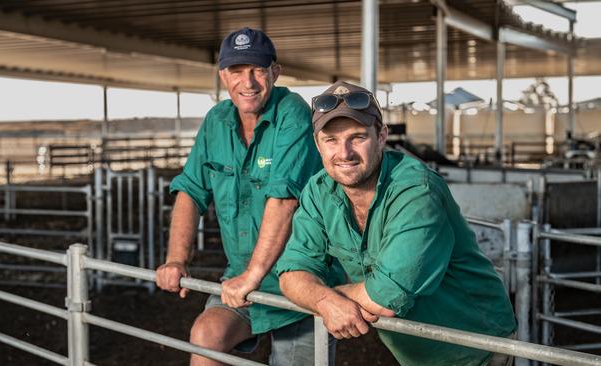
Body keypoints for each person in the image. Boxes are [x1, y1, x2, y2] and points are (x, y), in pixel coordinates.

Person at [276, 81, 517, 366]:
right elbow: (292, 271)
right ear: (317, 144)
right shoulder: (319, 190)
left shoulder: (416, 190)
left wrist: (323, 296)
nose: (345, 152)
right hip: (415, 352)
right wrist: (325, 302)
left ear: (381, 136)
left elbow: (384, 297)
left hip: (477, 348)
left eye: (358, 137)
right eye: (331, 140)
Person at [155, 27, 341, 366]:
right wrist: (176, 259)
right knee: (206, 335)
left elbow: (284, 199)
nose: (249, 82)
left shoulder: (293, 112)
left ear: (275, 72)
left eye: (257, 69)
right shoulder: (216, 121)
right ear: (223, 75)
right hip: (240, 274)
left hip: (300, 278)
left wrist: (252, 277)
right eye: (237, 71)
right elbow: (190, 190)